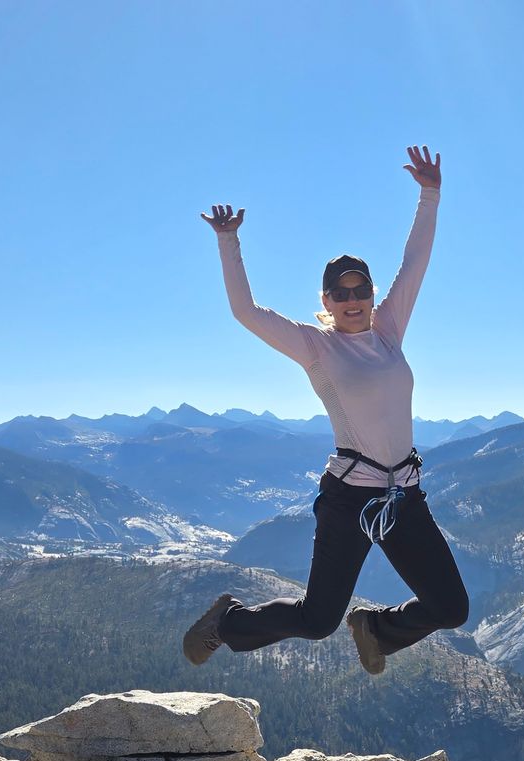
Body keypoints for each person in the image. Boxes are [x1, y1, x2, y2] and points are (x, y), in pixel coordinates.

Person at [182, 145, 469, 675]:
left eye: (361, 288)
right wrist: (228, 241)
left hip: (402, 496)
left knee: (451, 608)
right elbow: (245, 311)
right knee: (316, 620)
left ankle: (377, 628)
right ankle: (227, 623)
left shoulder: (388, 330)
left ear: (373, 293)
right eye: (341, 292)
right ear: (326, 300)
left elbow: (416, 261)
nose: (352, 297)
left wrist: (430, 193)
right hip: (349, 498)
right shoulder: (315, 346)